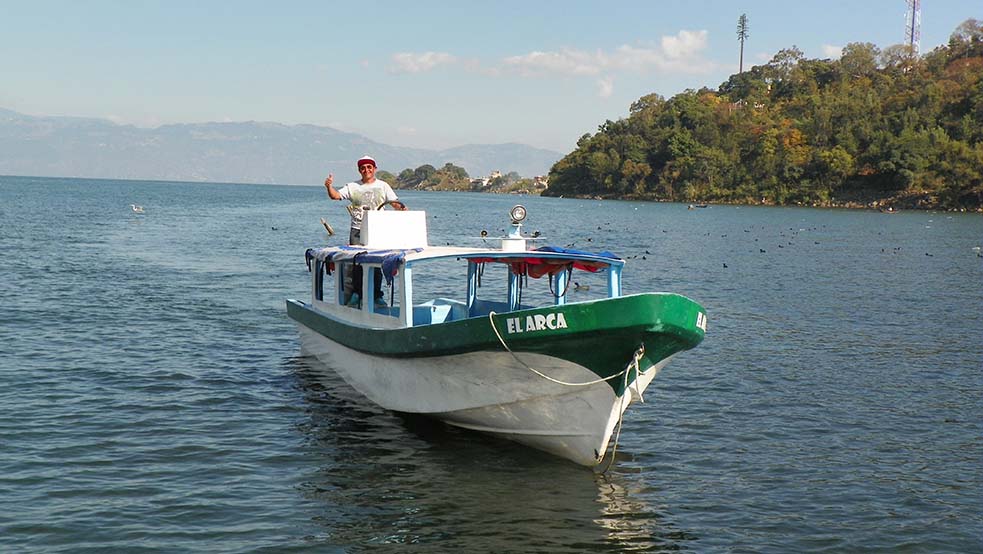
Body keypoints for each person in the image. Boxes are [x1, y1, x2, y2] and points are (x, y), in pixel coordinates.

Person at [324, 155, 407, 306]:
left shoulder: (383, 186)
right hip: (357, 230)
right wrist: (329, 186)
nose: (366, 170)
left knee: (377, 262)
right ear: (359, 170)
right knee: (357, 262)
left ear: (374, 169)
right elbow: (335, 196)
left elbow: (395, 203)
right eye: (363, 168)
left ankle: (376, 295)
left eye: (369, 167)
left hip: (378, 231)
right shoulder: (352, 186)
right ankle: (357, 294)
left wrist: (403, 209)